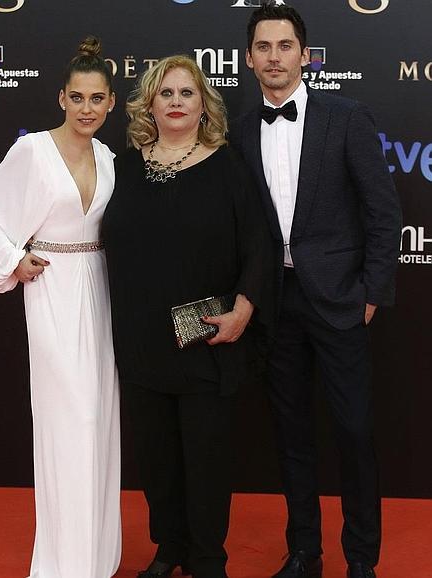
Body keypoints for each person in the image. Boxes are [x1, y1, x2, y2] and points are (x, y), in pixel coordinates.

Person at [229, 3, 402, 578]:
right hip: (273, 302)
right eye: (263, 47)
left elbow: (382, 211)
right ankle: (304, 552)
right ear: (248, 58)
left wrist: (372, 291)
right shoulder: (238, 128)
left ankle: (361, 560)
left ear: (305, 54)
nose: (274, 57)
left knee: (353, 431)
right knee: (291, 432)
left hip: (339, 299)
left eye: (285, 46)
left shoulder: (346, 115)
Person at [102, 55, 273, 578]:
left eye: (187, 93)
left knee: (206, 461)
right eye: (166, 93)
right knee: (156, 460)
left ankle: (206, 559)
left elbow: (260, 244)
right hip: (140, 341)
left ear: (204, 105)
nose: (176, 102)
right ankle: (168, 549)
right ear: (149, 104)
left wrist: (244, 307)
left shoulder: (228, 165)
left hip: (205, 340)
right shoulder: (124, 166)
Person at [0, 36, 121, 578]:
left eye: (97, 99)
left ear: (111, 102)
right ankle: (64, 564)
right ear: (62, 98)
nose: (87, 109)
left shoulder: (108, 157)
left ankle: (97, 558)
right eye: (78, 98)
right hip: (53, 289)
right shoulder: (32, 149)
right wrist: (15, 259)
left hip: (100, 288)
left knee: (99, 421)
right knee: (69, 422)